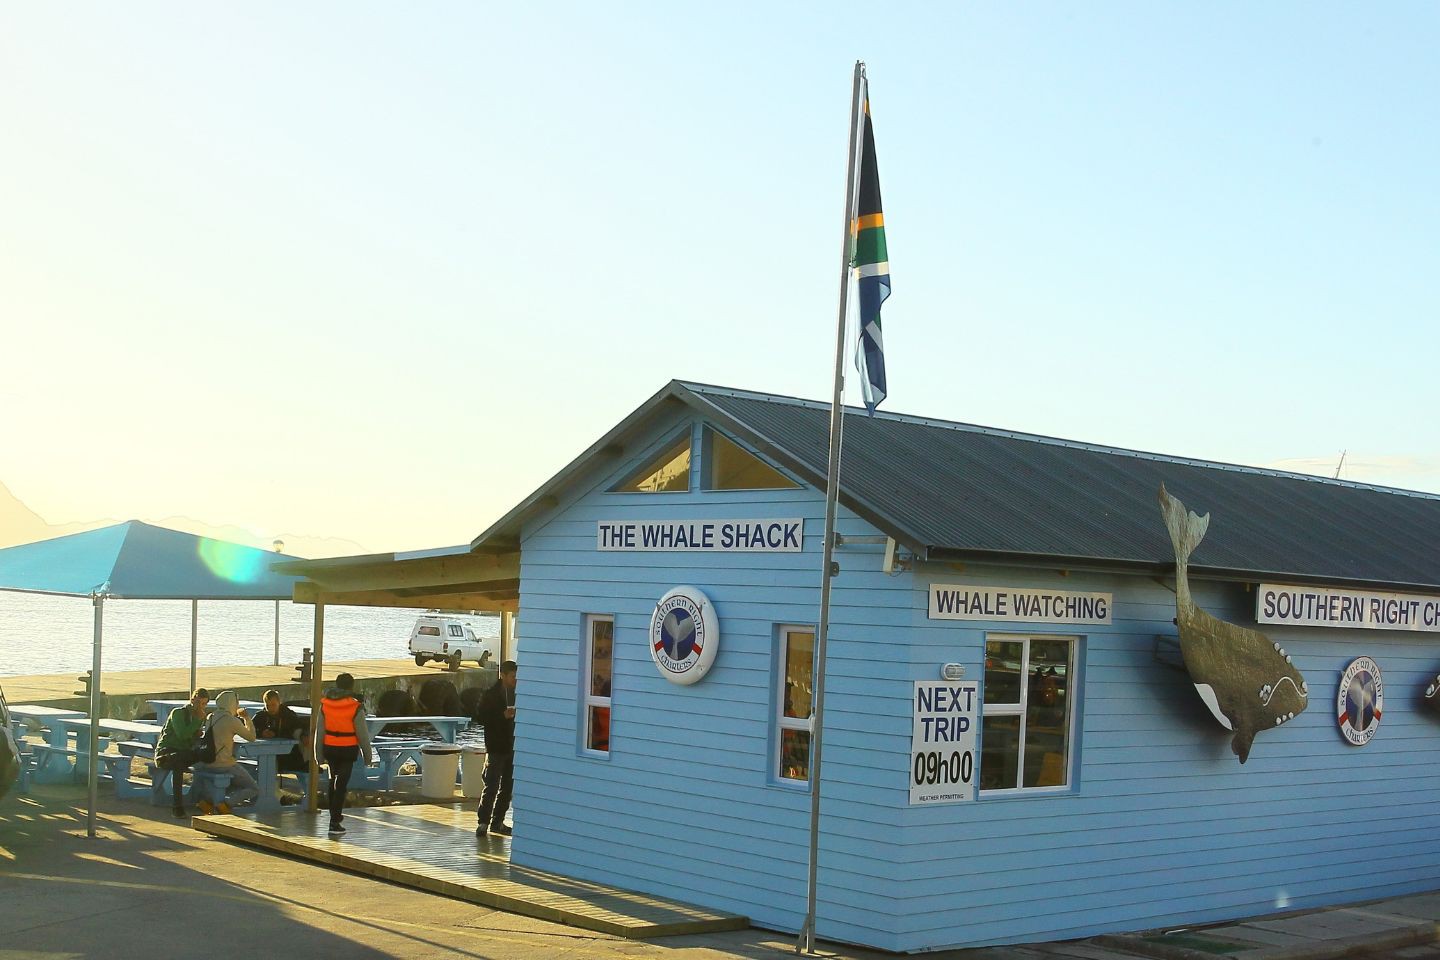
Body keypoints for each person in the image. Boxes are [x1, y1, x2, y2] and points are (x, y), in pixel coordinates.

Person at [314, 672, 372, 835]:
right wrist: (368, 756)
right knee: (341, 784)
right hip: (347, 749)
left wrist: (317, 754)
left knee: (333, 780)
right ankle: (335, 820)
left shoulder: (325, 705)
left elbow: (320, 731)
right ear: (351, 687)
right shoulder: (355, 706)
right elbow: (363, 734)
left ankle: (334, 818)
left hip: (330, 748)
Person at [194, 689, 258, 814]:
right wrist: (246, 718)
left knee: (231, 783)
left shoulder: (210, 717)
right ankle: (225, 805)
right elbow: (251, 737)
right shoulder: (231, 720)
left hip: (207, 761)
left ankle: (208, 801)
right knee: (253, 788)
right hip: (224, 764)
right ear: (231, 703)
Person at [474, 660, 517, 838]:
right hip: (496, 746)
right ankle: (483, 822)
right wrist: (502, 715)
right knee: (491, 785)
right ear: (503, 675)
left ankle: (497, 822)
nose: (515, 680)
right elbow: (480, 717)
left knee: (507, 787)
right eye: (513, 677)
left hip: (512, 746)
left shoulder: (519, 694)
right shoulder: (491, 694)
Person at [155, 687, 209, 817]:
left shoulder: (201, 718)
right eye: (198, 703)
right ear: (192, 699)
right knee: (178, 764)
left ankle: (205, 799)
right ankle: (177, 806)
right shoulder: (178, 713)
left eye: (203, 704)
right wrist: (196, 722)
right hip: (167, 750)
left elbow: (191, 739)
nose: (200, 706)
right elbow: (182, 735)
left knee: (205, 756)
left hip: (183, 753)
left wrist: (197, 734)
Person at [253, 689, 311, 772]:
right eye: (267, 706)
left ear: (279, 702)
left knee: (301, 734)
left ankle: (307, 762)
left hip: (290, 753)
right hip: (267, 752)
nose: (270, 708)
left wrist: (303, 736)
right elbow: (249, 729)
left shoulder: (288, 715)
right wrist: (261, 733)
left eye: (273, 705)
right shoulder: (260, 716)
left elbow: (299, 726)